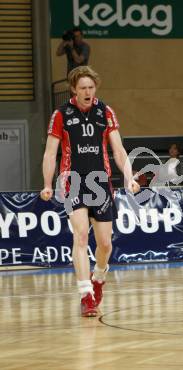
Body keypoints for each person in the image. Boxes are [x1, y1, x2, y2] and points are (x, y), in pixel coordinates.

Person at [40, 66, 140, 317]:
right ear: (74, 89)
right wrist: (48, 184)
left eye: (91, 87)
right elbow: (51, 153)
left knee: (105, 243)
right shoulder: (60, 114)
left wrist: (129, 177)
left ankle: (98, 278)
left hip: (100, 182)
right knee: (81, 236)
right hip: (72, 180)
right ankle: (86, 295)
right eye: (83, 87)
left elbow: (118, 150)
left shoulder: (105, 112)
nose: (87, 91)